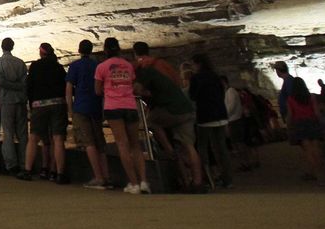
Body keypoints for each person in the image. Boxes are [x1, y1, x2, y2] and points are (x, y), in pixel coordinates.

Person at [135, 63, 205, 193]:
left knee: (151, 121)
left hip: (172, 111)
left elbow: (137, 91)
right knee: (188, 146)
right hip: (186, 110)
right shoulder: (161, 76)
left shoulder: (144, 74)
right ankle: (197, 182)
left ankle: (168, 149)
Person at [95, 37, 147, 194]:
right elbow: (133, 84)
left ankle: (133, 183)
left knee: (122, 145)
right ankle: (144, 181)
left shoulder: (102, 67)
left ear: (105, 50)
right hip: (130, 106)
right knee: (135, 145)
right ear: (119, 49)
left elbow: (97, 91)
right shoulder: (128, 65)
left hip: (114, 106)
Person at [22, 43, 69, 183]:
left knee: (34, 138)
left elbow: (29, 86)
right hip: (58, 103)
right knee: (58, 139)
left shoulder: (35, 66)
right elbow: (65, 85)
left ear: (41, 53)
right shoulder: (58, 67)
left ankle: (28, 170)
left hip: (39, 104)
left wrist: (30, 104)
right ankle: (59, 173)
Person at [65, 39, 107, 189]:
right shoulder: (97, 65)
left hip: (81, 106)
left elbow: (69, 88)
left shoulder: (75, 66)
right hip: (95, 105)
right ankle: (106, 176)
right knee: (99, 142)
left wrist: (69, 108)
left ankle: (98, 177)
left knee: (88, 142)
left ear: (79, 50)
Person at [188, 53, 234, 190]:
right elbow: (221, 94)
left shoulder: (196, 78)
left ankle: (207, 178)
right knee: (221, 148)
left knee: (203, 148)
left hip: (205, 116)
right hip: (220, 115)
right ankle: (228, 179)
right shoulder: (216, 77)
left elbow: (193, 96)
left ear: (198, 64)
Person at [0, 38, 28, 175]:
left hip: (6, 100)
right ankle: (25, 163)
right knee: (23, 133)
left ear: (2, 47)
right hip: (20, 100)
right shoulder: (20, 63)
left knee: (8, 133)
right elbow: (24, 82)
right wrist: (18, 87)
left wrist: (10, 86)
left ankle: (11, 164)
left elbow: (1, 81)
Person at [287, 76, 325, 181]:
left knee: (308, 151)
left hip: (300, 124)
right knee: (316, 149)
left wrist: (289, 126)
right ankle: (322, 173)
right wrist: (321, 122)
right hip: (312, 122)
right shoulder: (311, 97)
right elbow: (317, 112)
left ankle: (316, 174)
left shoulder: (291, 99)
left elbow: (290, 115)